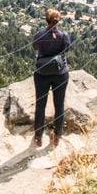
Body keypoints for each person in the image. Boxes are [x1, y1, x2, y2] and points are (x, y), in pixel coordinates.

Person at [32, 8, 71, 147]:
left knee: (40, 105)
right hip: (60, 74)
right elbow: (66, 49)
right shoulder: (64, 36)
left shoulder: (39, 35)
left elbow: (35, 47)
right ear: (58, 21)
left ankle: (38, 136)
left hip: (42, 74)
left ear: (46, 20)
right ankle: (57, 135)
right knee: (59, 105)